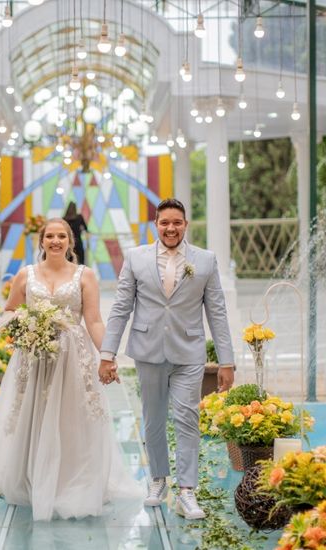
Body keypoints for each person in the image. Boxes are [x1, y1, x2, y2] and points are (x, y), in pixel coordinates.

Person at [0, 218, 142, 520]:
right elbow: (9, 311)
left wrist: (107, 355)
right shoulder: (26, 275)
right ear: (41, 241)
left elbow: (93, 320)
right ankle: (31, 475)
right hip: (34, 357)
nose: (55, 240)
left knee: (69, 416)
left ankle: (69, 479)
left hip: (73, 356)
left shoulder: (84, 275)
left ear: (70, 241)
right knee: (33, 412)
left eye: (61, 236)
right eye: (49, 235)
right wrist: (25, 325)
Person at [98, 198, 236, 520]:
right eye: (164, 223)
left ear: (185, 224)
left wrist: (226, 361)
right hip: (147, 350)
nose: (171, 228)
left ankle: (187, 490)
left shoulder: (205, 260)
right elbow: (121, 308)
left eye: (177, 222)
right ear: (155, 226)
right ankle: (158, 480)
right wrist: (107, 354)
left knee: (187, 417)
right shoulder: (135, 258)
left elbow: (217, 311)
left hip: (189, 351)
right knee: (154, 418)